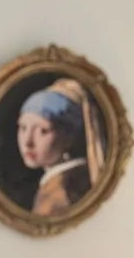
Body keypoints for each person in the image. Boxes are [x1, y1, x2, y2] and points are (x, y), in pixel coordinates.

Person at [15, 77, 105, 218]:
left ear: (68, 137)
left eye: (43, 131)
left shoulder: (61, 192)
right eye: (23, 128)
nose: (27, 142)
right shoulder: (66, 179)